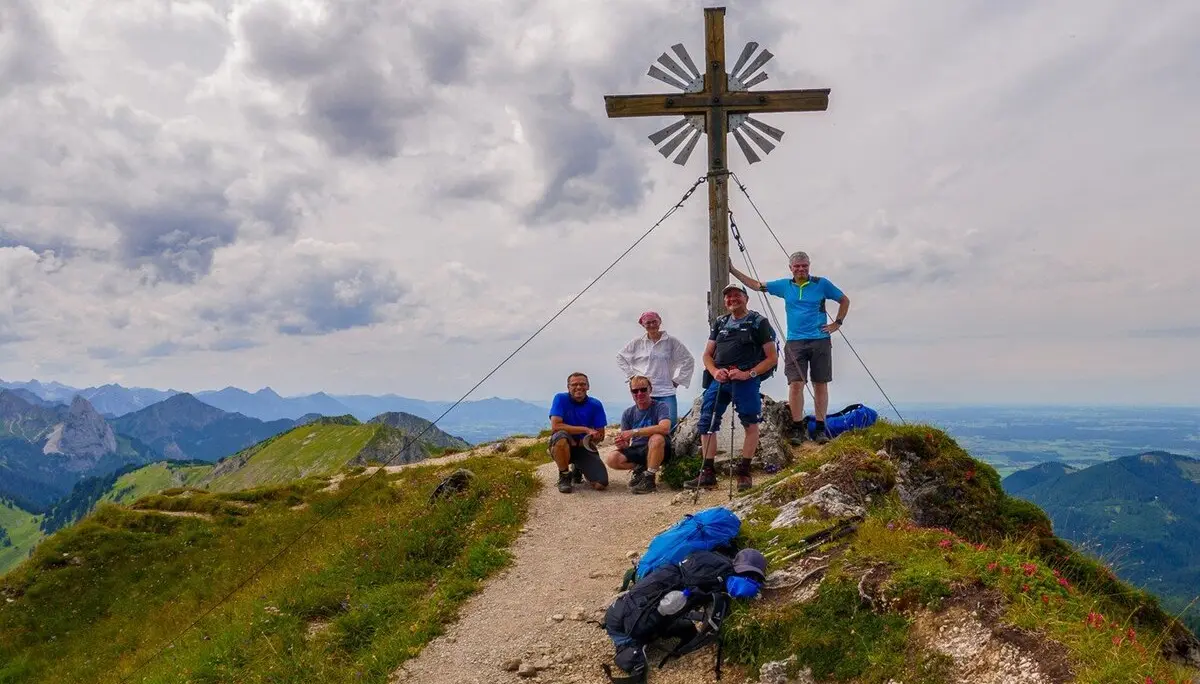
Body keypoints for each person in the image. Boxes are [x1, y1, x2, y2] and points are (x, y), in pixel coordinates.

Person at [730, 251, 849, 444]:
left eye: (804, 266)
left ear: (809, 266)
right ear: (791, 268)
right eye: (797, 266)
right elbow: (757, 285)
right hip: (795, 341)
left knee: (820, 384)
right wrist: (732, 270)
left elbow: (844, 300)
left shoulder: (821, 284)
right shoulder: (785, 286)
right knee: (795, 385)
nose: (801, 269)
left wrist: (837, 323)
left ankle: (820, 429)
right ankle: (797, 428)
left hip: (820, 339)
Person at [684, 284, 778, 492]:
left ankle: (744, 471)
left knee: (750, 423)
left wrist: (748, 374)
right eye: (728, 296)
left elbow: (772, 358)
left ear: (746, 298)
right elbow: (707, 354)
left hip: (746, 380)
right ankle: (707, 472)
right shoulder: (720, 323)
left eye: (737, 295)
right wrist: (715, 371)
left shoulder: (758, 322)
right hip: (721, 379)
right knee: (707, 421)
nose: (732, 299)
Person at [615, 311, 695, 428]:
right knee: (645, 424)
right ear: (643, 325)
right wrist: (632, 376)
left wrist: (678, 380)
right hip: (643, 391)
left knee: (669, 425)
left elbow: (688, 360)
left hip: (666, 390)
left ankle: (667, 446)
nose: (652, 325)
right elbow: (620, 357)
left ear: (659, 322)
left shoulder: (671, 342)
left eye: (654, 322)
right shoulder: (637, 343)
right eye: (648, 323)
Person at [605, 375, 672, 494]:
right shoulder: (628, 413)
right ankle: (640, 469)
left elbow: (665, 428)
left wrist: (635, 432)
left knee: (656, 438)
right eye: (635, 391)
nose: (639, 393)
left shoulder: (660, 406)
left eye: (643, 389)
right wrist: (621, 444)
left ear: (650, 389)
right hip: (637, 449)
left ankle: (649, 479)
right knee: (612, 459)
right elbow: (626, 443)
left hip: (658, 448)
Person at [548, 372, 609, 493]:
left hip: (583, 446)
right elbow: (555, 426)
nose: (579, 387)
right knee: (560, 438)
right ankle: (564, 475)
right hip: (564, 443)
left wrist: (594, 437)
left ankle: (578, 467)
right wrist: (585, 429)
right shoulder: (560, 398)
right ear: (568, 387)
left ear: (588, 386)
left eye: (582, 384)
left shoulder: (595, 404)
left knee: (601, 484)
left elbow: (601, 434)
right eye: (574, 384)